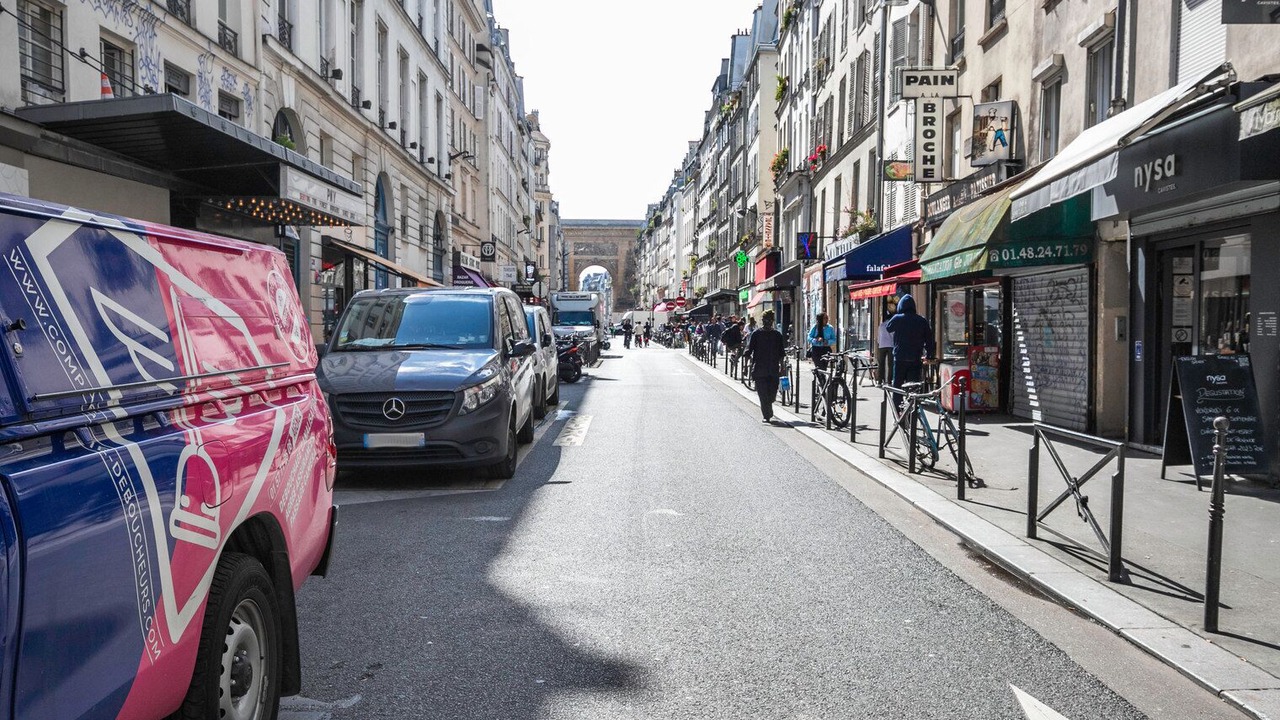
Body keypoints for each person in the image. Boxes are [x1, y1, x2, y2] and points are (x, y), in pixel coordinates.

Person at [885, 294, 935, 396]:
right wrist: (929, 354)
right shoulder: (922, 320)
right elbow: (929, 340)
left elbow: (888, 328)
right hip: (915, 357)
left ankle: (897, 409)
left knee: (897, 387)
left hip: (900, 357)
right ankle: (913, 409)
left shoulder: (897, 318)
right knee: (913, 388)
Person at [744, 309, 786, 423]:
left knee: (772, 394)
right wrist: (745, 365)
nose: (766, 322)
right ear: (762, 321)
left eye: (769, 320)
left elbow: (782, 353)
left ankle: (769, 408)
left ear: (772, 321)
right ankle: (766, 415)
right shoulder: (756, 334)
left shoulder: (777, 335)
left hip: (773, 369)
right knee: (762, 394)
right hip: (759, 369)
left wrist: (782, 367)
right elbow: (749, 349)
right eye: (765, 320)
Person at [876, 307, 894, 385]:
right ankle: (889, 381)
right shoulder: (892, 325)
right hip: (891, 345)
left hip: (882, 345)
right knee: (891, 364)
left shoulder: (881, 326)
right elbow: (894, 336)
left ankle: (880, 381)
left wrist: (879, 343)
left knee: (881, 364)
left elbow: (878, 337)